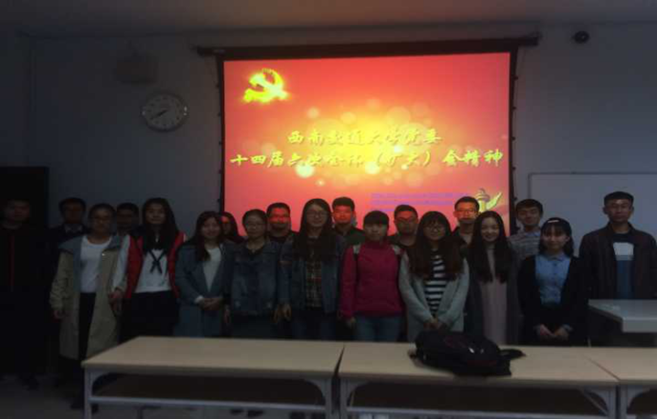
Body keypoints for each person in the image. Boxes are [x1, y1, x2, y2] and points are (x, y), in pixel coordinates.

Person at [50, 203, 122, 409]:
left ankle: (95, 392)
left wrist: (120, 291)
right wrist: (57, 301)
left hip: (105, 303)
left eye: (106, 218)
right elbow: (62, 275)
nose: (101, 222)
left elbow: (126, 273)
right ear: (90, 220)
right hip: (77, 302)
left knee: (99, 349)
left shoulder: (120, 245)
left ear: (112, 221)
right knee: (79, 348)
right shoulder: (74, 245)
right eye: (97, 217)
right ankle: (83, 392)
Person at [579, 191, 657, 345]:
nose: (619, 210)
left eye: (624, 206)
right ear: (605, 210)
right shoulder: (592, 239)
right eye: (613, 206)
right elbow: (584, 276)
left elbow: (654, 273)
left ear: (631, 210)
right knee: (605, 354)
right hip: (604, 310)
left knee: (643, 355)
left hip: (641, 310)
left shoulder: (645, 240)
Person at [112, 198, 186, 340]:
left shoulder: (179, 237)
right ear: (144, 214)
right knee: (136, 341)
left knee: (163, 340)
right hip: (138, 295)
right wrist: (116, 291)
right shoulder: (133, 237)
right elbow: (121, 266)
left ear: (167, 214)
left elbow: (183, 269)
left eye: (160, 212)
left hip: (167, 295)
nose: (155, 215)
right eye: (151, 211)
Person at [279, 198, 347, 340]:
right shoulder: (293, 240)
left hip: (328, 306)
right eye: (312, 213)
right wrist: (284, 301)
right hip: (299, 305)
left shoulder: (338, 241)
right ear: (304, 216)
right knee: (301, 348)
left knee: (325, 348)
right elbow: (284, 274)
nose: (317, 217)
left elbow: (344, 276)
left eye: (321, 213)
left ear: (328, 216)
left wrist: (342, 304)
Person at [398, 211, 469, 341]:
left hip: (450, 321)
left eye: (439, 227)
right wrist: (426, 317)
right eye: (430, 227)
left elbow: (462, 289)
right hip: (420, 320)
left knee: (451, 351)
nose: (435, 230)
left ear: (446, 229)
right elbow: (406, 288)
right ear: (422, 229)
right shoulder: (411, 254)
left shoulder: (457, 254)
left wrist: (447, 318)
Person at [517, 218, 587, 346]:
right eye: (547, 234)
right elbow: (524, 296)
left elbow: (582, 298)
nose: (552, 239)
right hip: (536, 326)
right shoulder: (529, 263)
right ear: (541, 237)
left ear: (567, 238)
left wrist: (567, 327)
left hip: (570, 327)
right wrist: (537, 325)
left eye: (558, 234)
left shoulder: (579, 265)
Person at [0, 198, 47, 389]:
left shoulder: (37, 234)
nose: (17, 211)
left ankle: (26, 371)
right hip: (2, 292)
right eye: (13, 207)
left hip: (27, 294)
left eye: (23, 208)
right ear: (4, 209)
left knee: (26, 333)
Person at [340, 211, 404, 342]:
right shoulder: (355, 251)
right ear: (363, 227)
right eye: (370, 225)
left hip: (392, 314)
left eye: (379, 226)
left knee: (387, 353)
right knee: (364, 354)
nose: (374, 230)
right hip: (362, 315)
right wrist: (348, 313)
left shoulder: (397, 251)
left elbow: (403, 285)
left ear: (387, 228)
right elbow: (348, 284)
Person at [224, 209, 281, 339]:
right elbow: (228, 278)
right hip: (240, 307)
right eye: (249, 224)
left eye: (258, 224)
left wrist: (280, 303)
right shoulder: (235, 250)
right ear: (244, 226)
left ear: (266, 226)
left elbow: (281, 277)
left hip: (267, 308)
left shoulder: (277, 249)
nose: (253, 227)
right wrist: (226, 304)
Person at [467, 211, 520, 344]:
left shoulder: (511, 254)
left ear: (500, 229)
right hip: (478, 306)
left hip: (505, 305)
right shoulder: (467, 253)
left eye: (494, 227)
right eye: (484, 228)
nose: (489, 231)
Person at [174, 211, 227, 338]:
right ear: (199, 228)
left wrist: (222, 298)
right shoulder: (187, 249)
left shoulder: (230, 249)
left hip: (219, 307)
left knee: (218, 347)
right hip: (192, 306)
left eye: (215, 225)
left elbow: (234, 278)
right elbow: (180, 277)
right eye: (206, 226)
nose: (211, 229)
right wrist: (198, 299)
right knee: (191, 347)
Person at [508, 199, 544, 263]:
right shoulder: (511, 241)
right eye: (523, 213)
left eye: (533, 212)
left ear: (540, 215)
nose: (528, 216)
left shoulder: (550, 239)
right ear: (517, 217)